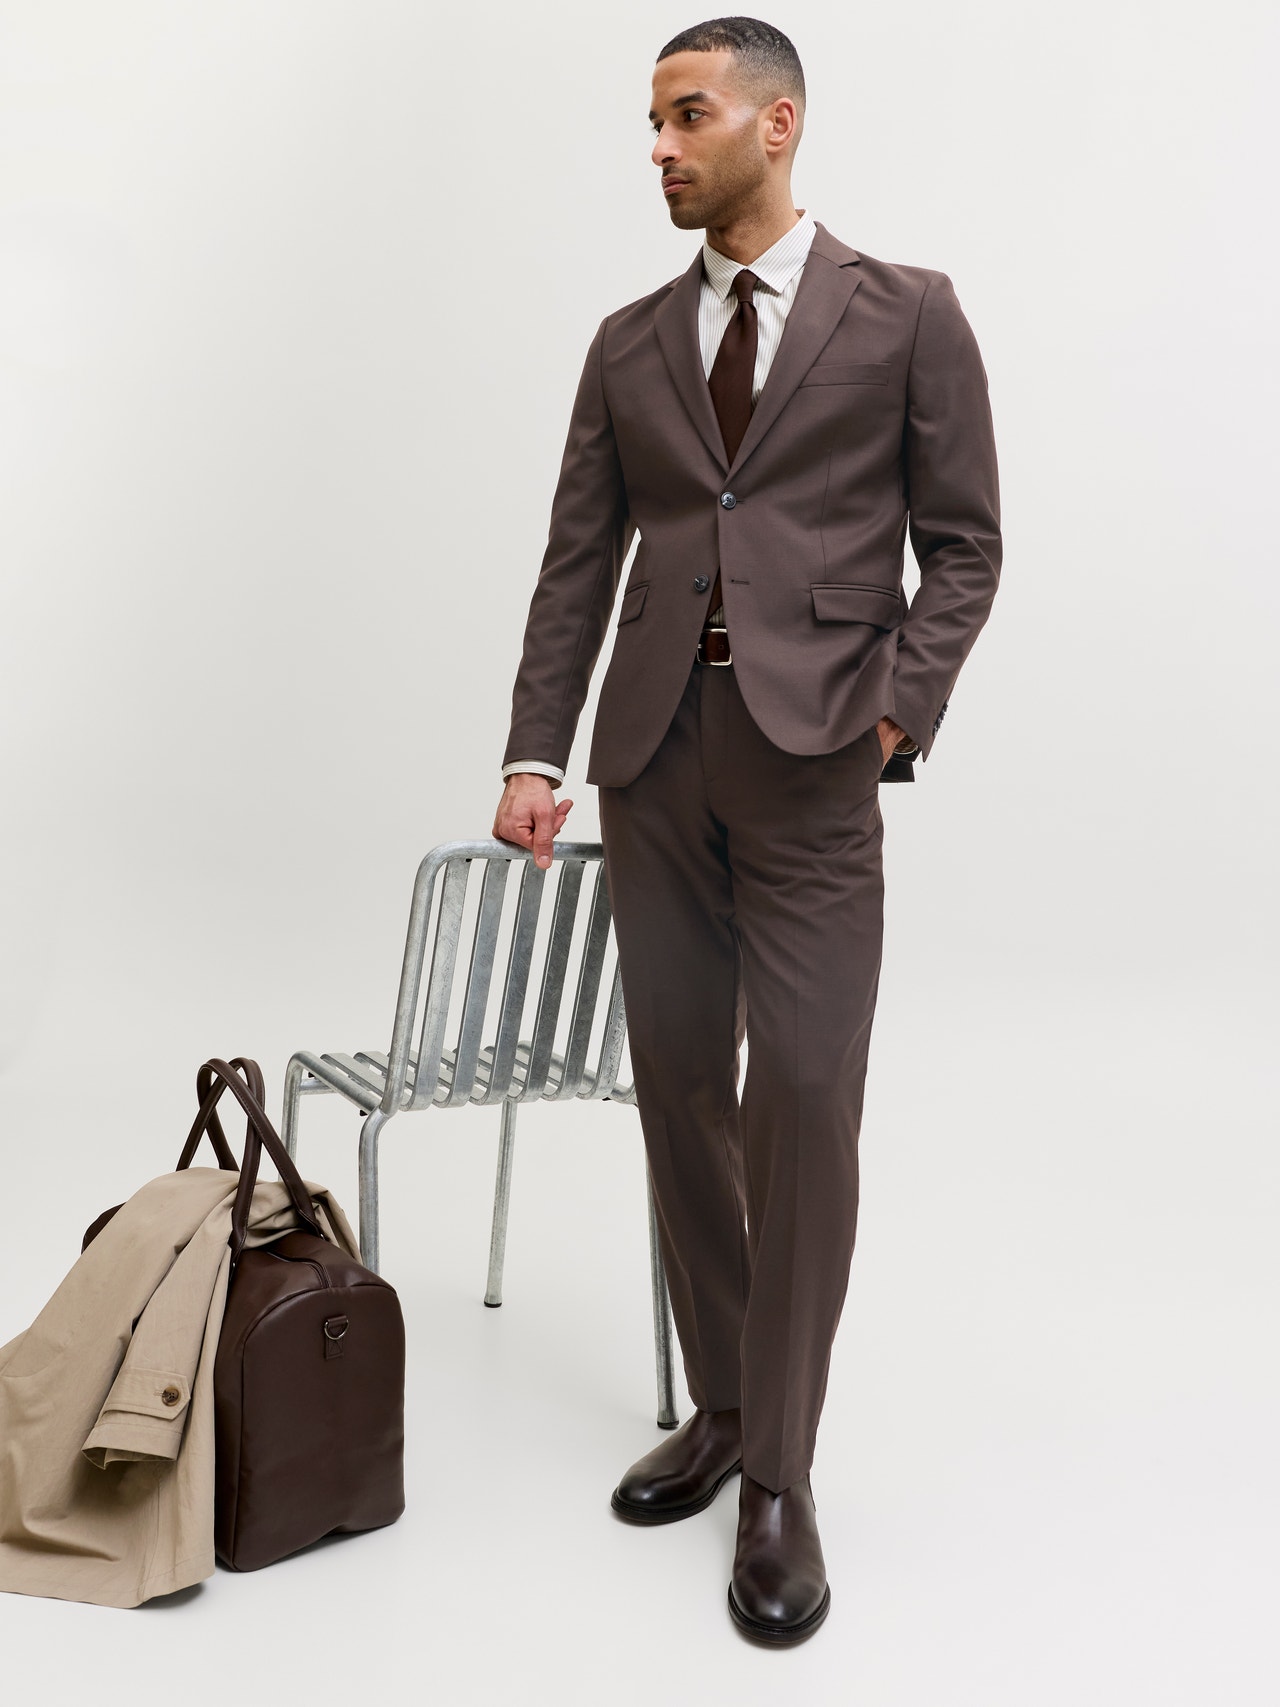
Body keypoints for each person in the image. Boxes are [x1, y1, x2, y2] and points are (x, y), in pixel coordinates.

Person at [492, 15, 1001, 1645]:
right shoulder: (628, 342)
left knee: (803, 1096)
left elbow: (967, 546)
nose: (658, 146)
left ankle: (779, 1475)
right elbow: (579, 561)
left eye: (687, 115)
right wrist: (535, 751)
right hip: (653, 763)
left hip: (813, 770)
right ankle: (721, 1409)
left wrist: (895, 713)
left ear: (776, 125)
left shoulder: (906, 313)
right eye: (650, 122)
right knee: (678, 1092)